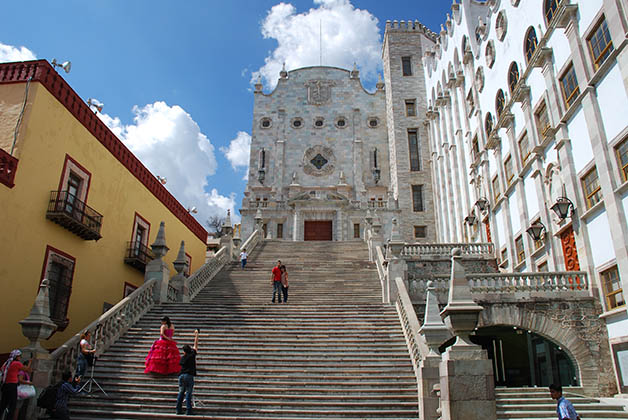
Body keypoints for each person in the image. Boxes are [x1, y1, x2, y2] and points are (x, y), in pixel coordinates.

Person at [0, 349, 32, 420]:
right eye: (19, 356)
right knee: (12, 405)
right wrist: (30, 362)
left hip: (5, 385)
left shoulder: (6, 363)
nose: (20, 357)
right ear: (16, 357)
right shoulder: (16, 363)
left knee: (3, 404)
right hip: (12, 385)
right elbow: (27, 369)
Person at [176, 329, 199, 415]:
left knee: (181, 392)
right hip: (189, 375)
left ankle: (178, 409)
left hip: (181, 376)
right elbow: (195, 345)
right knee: (188, 393)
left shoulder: (183, 358)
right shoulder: (192, 355)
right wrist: (196, 335)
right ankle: (188, 410)